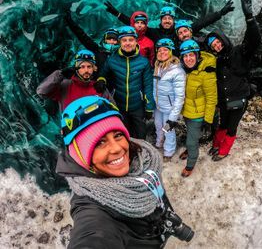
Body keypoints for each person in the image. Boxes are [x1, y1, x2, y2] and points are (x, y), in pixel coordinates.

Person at [56, 95, 194, 248]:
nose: (116, 148)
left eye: (118, 135)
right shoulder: (92, 210)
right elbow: (92, 237)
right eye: (100, 143)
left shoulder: (143, 160)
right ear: (81, 156)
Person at [205, 0, 261, 161]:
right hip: (224, 100)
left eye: (217, 42)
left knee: (231, 127)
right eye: (213, 45)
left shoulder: (239, 52)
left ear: (223, 39)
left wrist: (249, 18)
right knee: (222, 123)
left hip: (238, 98)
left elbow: (254, 41)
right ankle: (216, 144)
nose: (216, 45)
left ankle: (223, 150)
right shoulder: (217, 60)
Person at [99, 26, 155, 139]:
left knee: (141, 133)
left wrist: (149, 106)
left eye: (131, 40)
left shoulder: (143, 62)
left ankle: (141, 153)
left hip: (137, 106)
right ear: (120, 42)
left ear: (136, 41)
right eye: (124, 40)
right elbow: (103, 74)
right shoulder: (112, 60)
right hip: (119, 104)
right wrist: (101, 80)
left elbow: (148, 85)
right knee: (124, 133)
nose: (127, 43)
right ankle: (129, 154)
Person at [104, 0, 235, 48]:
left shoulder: (181, 30)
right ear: (160, 20)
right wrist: (116, 13)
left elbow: (202, 22)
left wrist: (221, 13)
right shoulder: (154, 33)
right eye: (164, 18)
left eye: (169, 18)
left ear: (173, 20)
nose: (167, 20)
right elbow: (136, 24)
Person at [179, 40, 217, 177]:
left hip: (198, 115)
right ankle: (189, 151)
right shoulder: (184, 71)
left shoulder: (206, 73)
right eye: (185, 56)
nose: (189, 59)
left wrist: (208, 120)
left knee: (191, 141)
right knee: (190, 134)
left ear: (197, 55)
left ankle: (190, 165)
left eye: (191, 55)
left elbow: (212, 98)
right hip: (188, 112)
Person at [36, 49, 112, 110]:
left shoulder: (99, 87)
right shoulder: (64, 85)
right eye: (82, 67)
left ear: (94, 68)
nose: (86, 70)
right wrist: (60, 74)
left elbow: (113, 110)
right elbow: (42, 92)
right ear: (76, 68)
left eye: (89, 67)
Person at [153, 38, 186, 162]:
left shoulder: (177, 71)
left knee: (168, 129)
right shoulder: (158, 66)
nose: (162, 52)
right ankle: (159, 142)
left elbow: (180, 96)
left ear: (171, 52)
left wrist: (173, 117)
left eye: (165, 50)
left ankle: (169, 151)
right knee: (158, 125)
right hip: (158, 105)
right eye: (159, 50)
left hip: (169, 107)